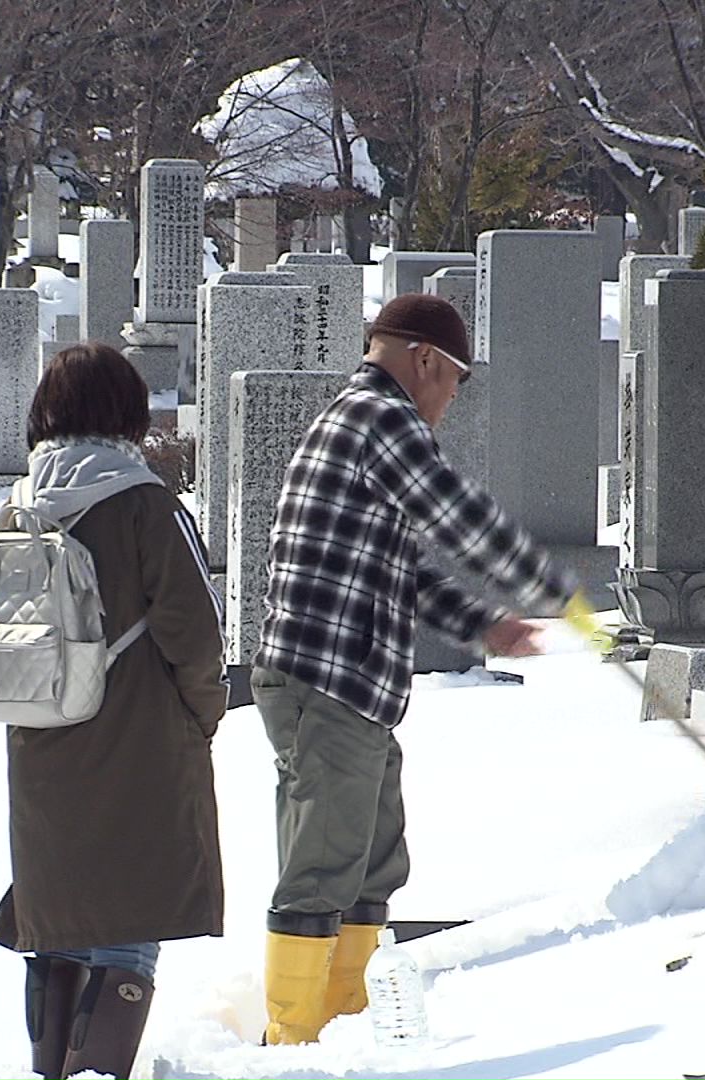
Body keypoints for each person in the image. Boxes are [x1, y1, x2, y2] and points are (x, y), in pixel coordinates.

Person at [252, 293, 581, 1044]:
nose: (452, 400)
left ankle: (344, 1025)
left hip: (351, 685)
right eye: (455, 380)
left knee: (371, 863)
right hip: (328, 681)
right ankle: (292, 1041)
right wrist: (550, 585)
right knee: (324, 868)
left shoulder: (360, 422)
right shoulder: (381, 417)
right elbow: (457, 514)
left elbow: (401, 569)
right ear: (424, 360)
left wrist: (483, 625)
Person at [0, 342, 228, 1079]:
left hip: (38, 739)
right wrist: (202, 715)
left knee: (62, 920)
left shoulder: (14, 507)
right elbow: (195, 631)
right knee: (130, 919)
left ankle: (52, 1068)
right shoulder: (144, 502)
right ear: (127, 414)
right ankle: (97, 1071)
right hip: (139, 738)